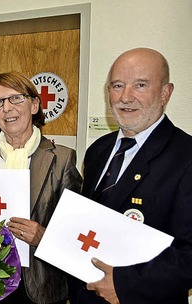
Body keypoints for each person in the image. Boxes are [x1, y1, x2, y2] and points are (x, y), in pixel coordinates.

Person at [69, 48, 192, 304]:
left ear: (165, 93)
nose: (125, 97)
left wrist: (125, 286)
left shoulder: (186, 156)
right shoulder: (97, 151)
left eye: (141, 85)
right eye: (117, 85)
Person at [0, 71, 82, 304]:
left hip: (39, 286)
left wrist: (42, 236)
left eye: (16, 98)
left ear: (35, 105)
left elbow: (76, 232)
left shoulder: (62, 159)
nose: (7, 108)